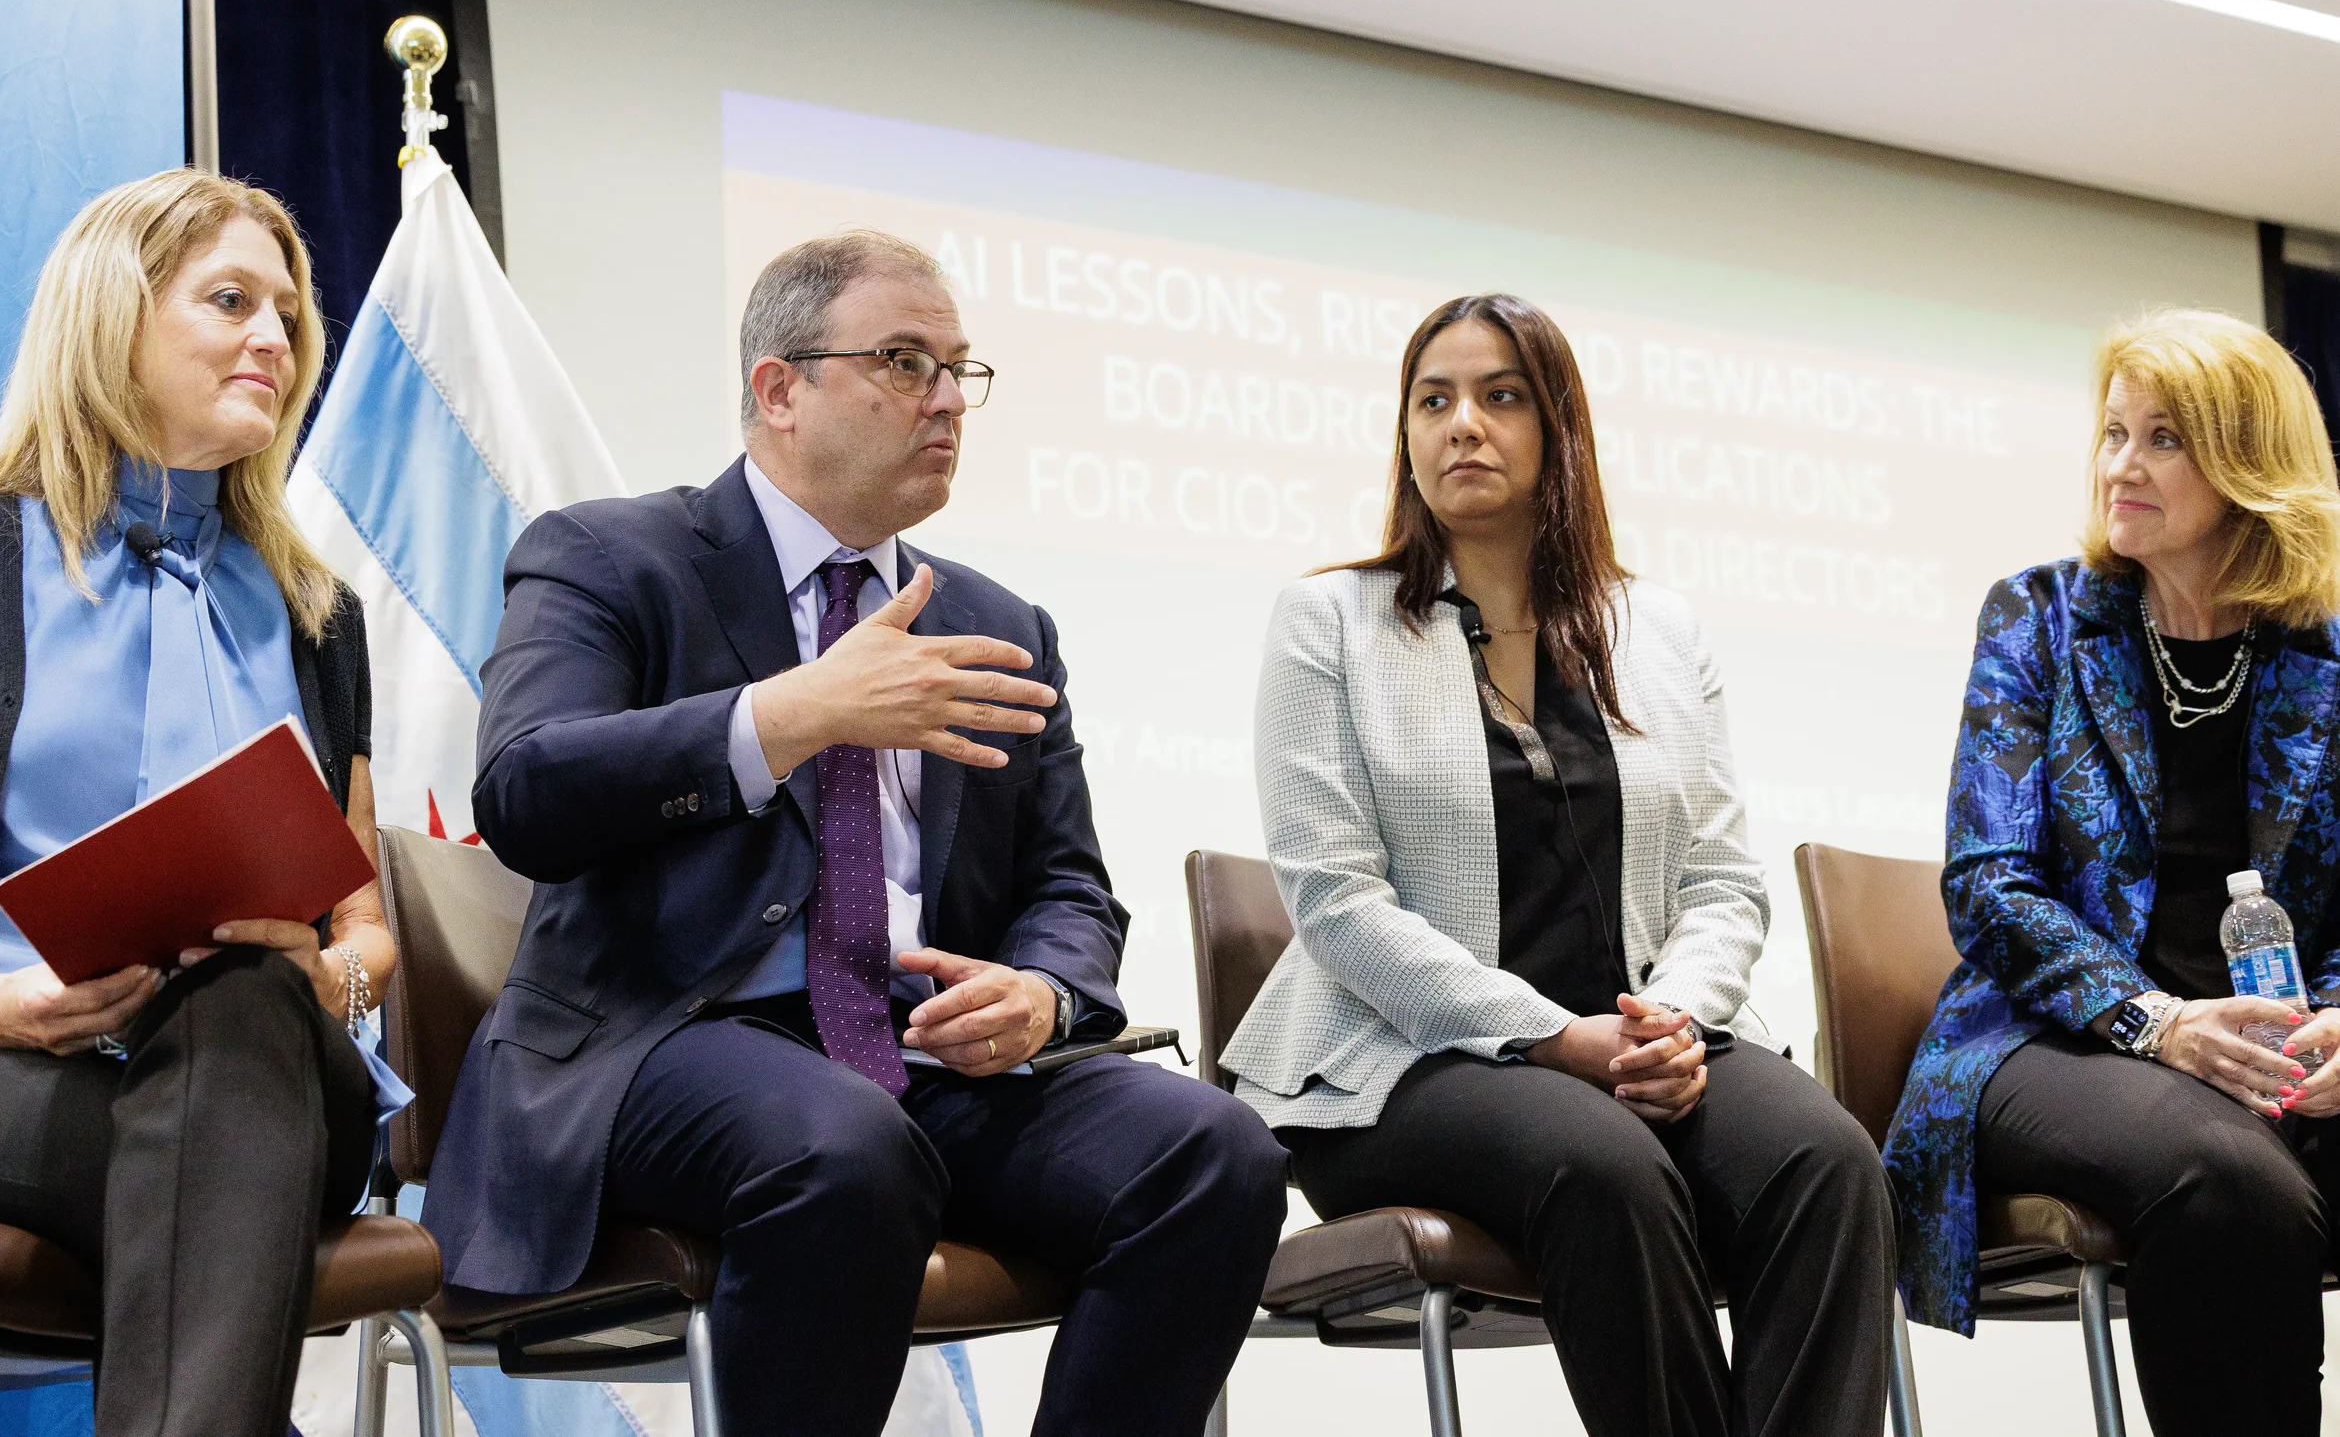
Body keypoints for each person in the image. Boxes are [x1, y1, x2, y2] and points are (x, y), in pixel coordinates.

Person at [422, 230, 1287, 1437]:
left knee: (1215, 1153)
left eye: (957, 369)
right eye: (901, 361)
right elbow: (525, 791)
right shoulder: (610, 554)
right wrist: (791, 714)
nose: (945, 399)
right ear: (779, 388)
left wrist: (1040, 989)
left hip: (919, 1057)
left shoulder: (997, 621)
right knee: (843, 1146)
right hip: (670, 1038)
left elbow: (1068, 882)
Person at [1221, 292, 1896, 1436]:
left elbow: (1722, 880)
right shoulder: (1325, 620)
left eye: (1498, 397)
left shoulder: (1660, 630)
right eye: (1431, 401)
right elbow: (1338, 903)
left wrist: (1668, 1020)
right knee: (1603, 1160)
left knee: (1829, 1163)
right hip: (1402, 1063)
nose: (1460, 426)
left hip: (1636, 1035)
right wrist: (1555, 1037)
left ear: (1560, 431)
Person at [0, 171, 402, 1436]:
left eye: (288, 311)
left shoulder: (321, 614)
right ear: (112, 317)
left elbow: (365, 931)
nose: (277, 335)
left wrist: (328, 980)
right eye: (230, 299)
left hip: (267, 1054)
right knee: (220, 1188)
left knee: (246, 1006)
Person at [1885, 308, 2340, 1433]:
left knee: (2249, 1158)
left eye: (2163, 438)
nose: (2119, 466)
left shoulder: (2325, 651)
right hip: (2055, 1038)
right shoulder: (2038, 618)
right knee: (2227, 1177)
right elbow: (1987, 883)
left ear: (2249, 465)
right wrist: (2159, 1022)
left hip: (2281, 1044)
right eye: (2110, 432)